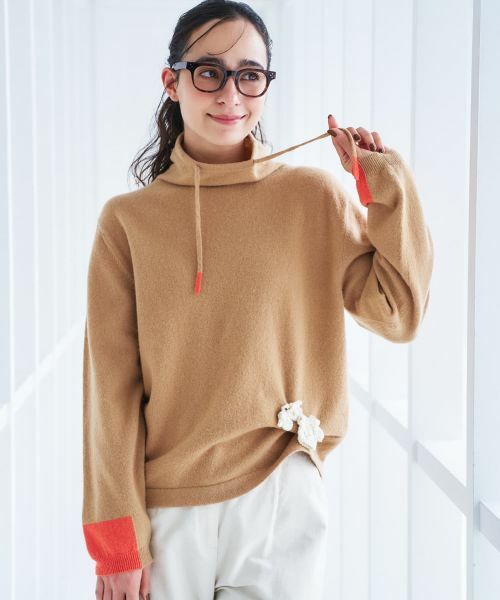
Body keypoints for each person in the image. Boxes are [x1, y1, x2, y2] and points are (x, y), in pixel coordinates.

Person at [81, 1, 434, 598]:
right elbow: (109, 392)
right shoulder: (127, 223)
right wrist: (117, 543)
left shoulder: (312, 199)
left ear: (266, 85)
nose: (230, 94)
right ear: (172, 81)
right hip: (164, 506)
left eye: (249, 75)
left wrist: (384, 182)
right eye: (209, 72)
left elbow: (398, 313)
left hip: (281, 494)